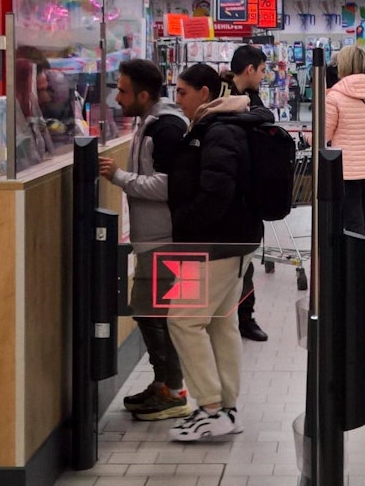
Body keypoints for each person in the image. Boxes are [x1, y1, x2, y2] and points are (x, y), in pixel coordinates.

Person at [164, 63, 264, 441]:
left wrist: (185, 223)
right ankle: (226, 410)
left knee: (183, 320)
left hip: (213, 243)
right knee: (222, 322)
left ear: (205, 93)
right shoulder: (225, 125)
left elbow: (217, 192)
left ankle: (208, 407)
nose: (178, 99)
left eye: (184, 91)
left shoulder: (218, 131)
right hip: (231, 242)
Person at [99, 59, 192, 422]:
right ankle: (165, 384)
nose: (117, 97)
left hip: (165, 238)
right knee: (152, 311)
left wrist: (120, 177)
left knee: (151, 312)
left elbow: (170, 185)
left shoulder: (166, 128)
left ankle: (174, 389)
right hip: (152, 237)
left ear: (142, 94)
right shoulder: (150, 123)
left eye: (122, 91)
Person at [325, 45, 365, 298]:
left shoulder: (334, 97)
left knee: (353, 225)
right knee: (361, 221)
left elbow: (325, 135)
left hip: (348, 170)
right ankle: (359, 276)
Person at [221, 44, 276, 342]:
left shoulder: (251, 98)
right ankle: (226, 316)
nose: (264, 76)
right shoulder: (219, 92)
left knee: (245, 260)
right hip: (225, 187)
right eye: (263, 70)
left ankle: (245, 317)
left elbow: (264, 117)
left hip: (246, 190)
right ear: (249, 69)